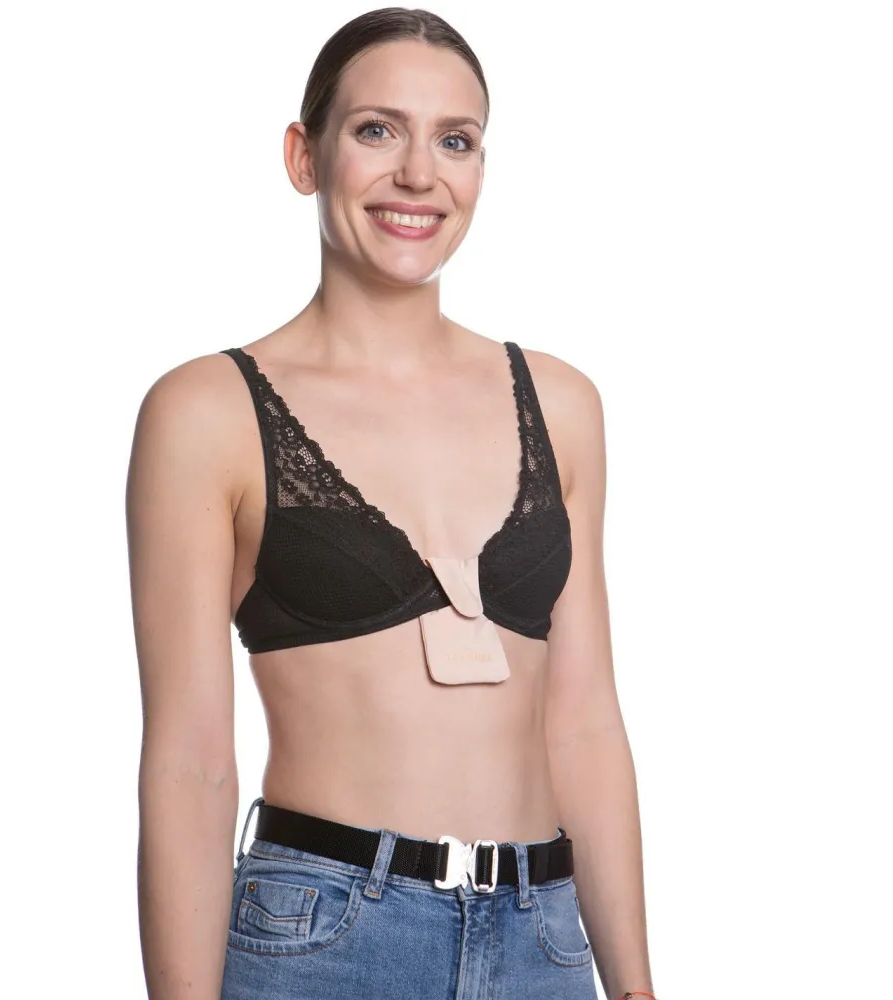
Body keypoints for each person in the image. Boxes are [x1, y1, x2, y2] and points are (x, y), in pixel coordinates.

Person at [126, 7, 656, 1000]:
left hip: (542, 938)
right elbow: (191, 762)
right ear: (305, 155)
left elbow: (585, 722)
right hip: (327, 939)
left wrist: (634, 983)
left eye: (454, 141)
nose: (419, 174)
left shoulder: (561, 403)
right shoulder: (206, 412)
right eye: (378, 130)